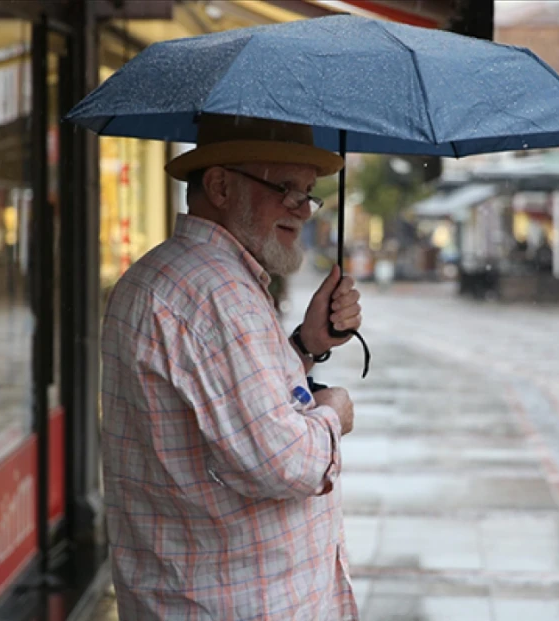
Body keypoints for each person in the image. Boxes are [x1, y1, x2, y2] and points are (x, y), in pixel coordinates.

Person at [100, 115, 363, 620]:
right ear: (220, 185)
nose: (302, 210)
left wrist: (306, 345)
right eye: (285, 188)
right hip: (236, 603)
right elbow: (283, 462)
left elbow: (223, 405)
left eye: (308, 192)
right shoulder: (217, 293)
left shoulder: (171, 274)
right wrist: (334, 416)